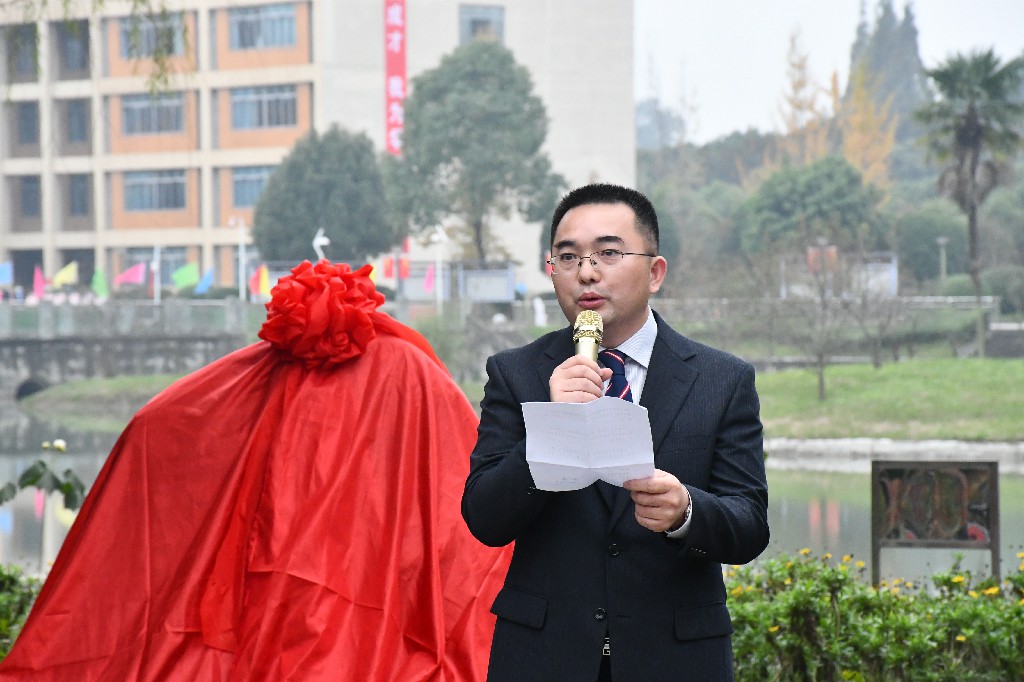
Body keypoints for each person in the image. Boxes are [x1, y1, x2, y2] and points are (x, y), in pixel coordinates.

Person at [0, 260, 510, 681]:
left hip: (281, 561)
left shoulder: (274, 374)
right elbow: (457, 473)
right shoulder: (405, 370)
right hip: (359, 568)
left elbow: (169, 417)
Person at [461, 184, 769, 681]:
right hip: (544, 658)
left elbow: (750, 525)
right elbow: (484, 519)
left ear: (655, 272)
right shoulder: (516, 373)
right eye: (568, 257)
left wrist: (686, 512)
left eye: (608, 253)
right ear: (552, 270)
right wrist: (552, 428)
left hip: (675, 661)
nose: (586, 272)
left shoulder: (721, 379)